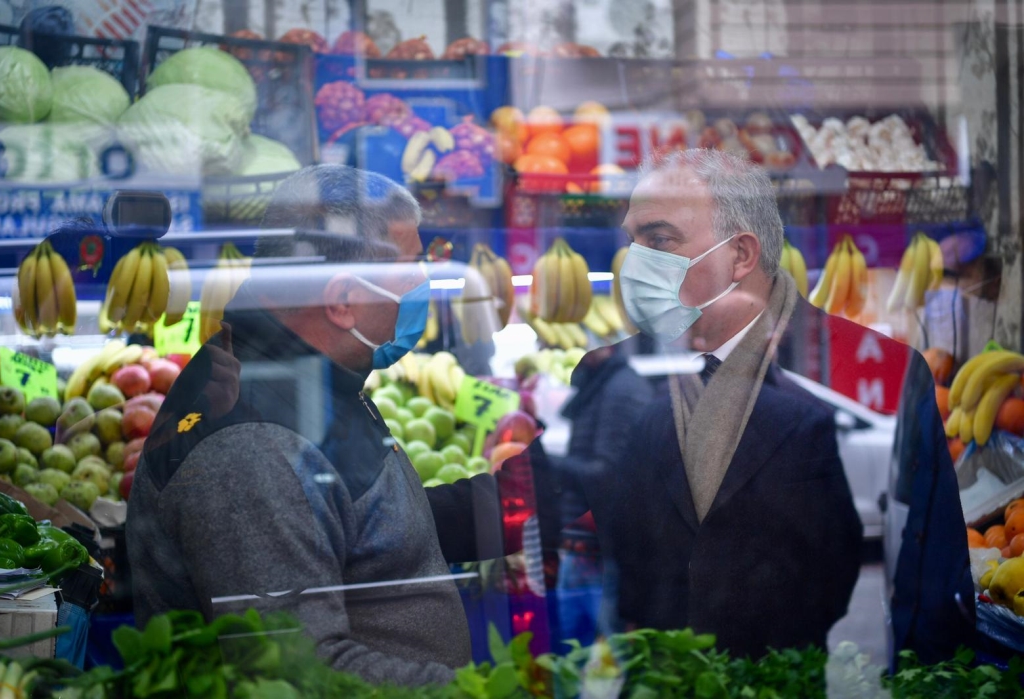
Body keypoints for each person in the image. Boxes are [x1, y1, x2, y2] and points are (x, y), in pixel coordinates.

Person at [548, 148, 972, 660]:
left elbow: (892, 565)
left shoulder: (868, 378)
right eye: (633, 241)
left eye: (658, 240)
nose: (635, 264)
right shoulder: (636, 385)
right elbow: (621, 546)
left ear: (741, 255)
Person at [127, 165, 522, 686]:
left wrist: (526, 497)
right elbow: (303, 671)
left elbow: (361, 532)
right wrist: (474, 695)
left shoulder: (306, 379)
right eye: (409, 269)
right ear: (341, 301)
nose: (421, 285)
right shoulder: (254, 452)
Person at [550, 344, 652, 646]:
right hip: (586, 544)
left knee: (600, 652)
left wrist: (545, 462)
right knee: (581, 650)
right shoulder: (602, 383)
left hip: (599, 549)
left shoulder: (621, 390)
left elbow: (607, 476)